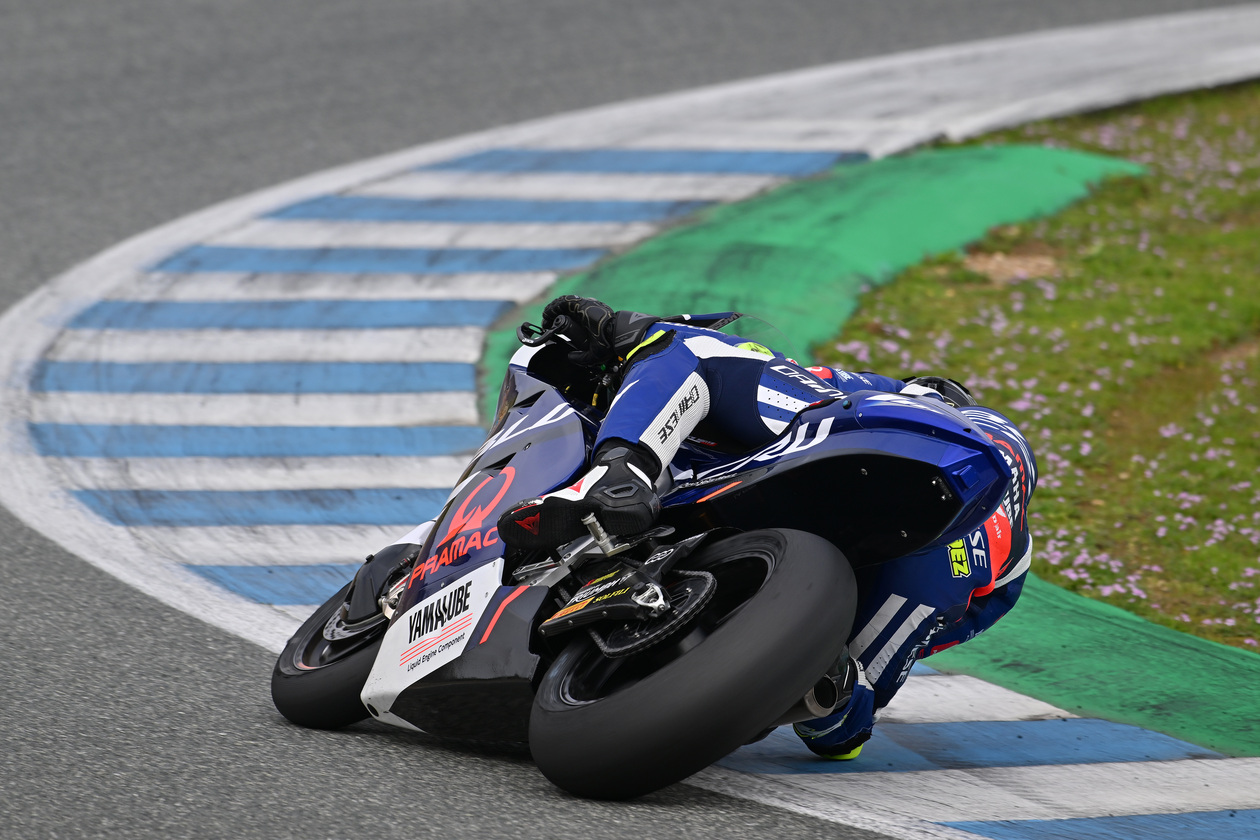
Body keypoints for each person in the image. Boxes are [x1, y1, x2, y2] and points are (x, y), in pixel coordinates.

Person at [497, 295, 1037, 761]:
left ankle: (621, 476)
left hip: (941, 537)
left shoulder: (894, 411)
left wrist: (628, 331)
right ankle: (821, 674)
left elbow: (727, 362)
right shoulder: (863, 398)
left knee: (691, 351)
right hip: (924, 539)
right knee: (843, 719)